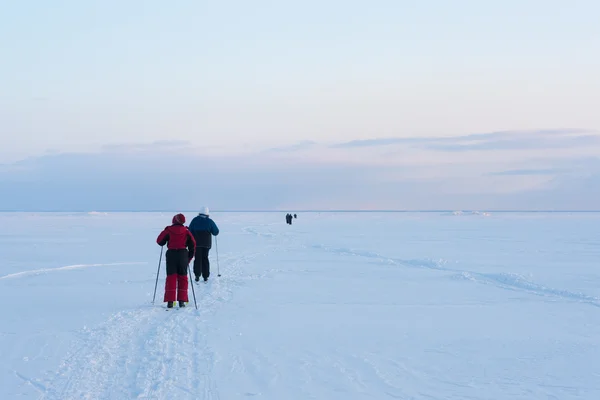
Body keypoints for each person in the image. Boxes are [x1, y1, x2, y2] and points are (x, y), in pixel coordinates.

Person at [156, 213, 196, 308]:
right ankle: (182, 301)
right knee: (183, 277)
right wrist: (188, 258)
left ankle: (170, 301)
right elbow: (193, 245)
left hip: (171, 255)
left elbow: (159, 241)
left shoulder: (168, 230)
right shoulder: (186, 231)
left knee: (171, 277)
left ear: (174, 220)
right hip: (183, 255)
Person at [188, 207, 219, 282]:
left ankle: (197, 276)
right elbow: (216, 232)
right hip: (206, 244)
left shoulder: (194, 220)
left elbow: (189, 230)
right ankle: (205, 276)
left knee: (197, 259)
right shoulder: (209, 221)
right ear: (207, 214)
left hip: (196, 244)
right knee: (205, 258)